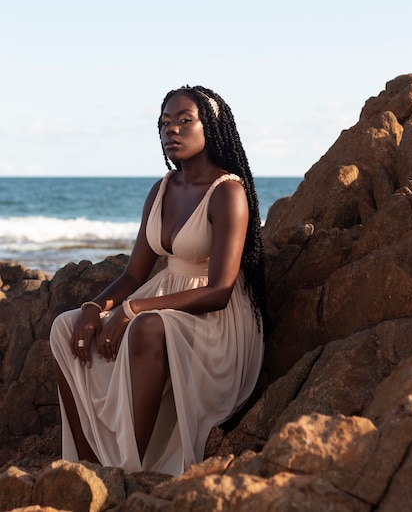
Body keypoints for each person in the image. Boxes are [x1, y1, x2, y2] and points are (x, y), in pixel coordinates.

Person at [50, 85, 268, 476]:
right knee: (64, 326)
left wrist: (135, 309)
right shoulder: (161, 190)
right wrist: (93, 308)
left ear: (211, 127)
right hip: (164, 296)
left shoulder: (228, 193)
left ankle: (126, 472)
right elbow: (134, 274)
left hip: (216, 323)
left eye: (185, 121)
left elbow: (219, 291)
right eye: (166, 123)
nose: (173, 130)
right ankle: (89, 465)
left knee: (146, 327)